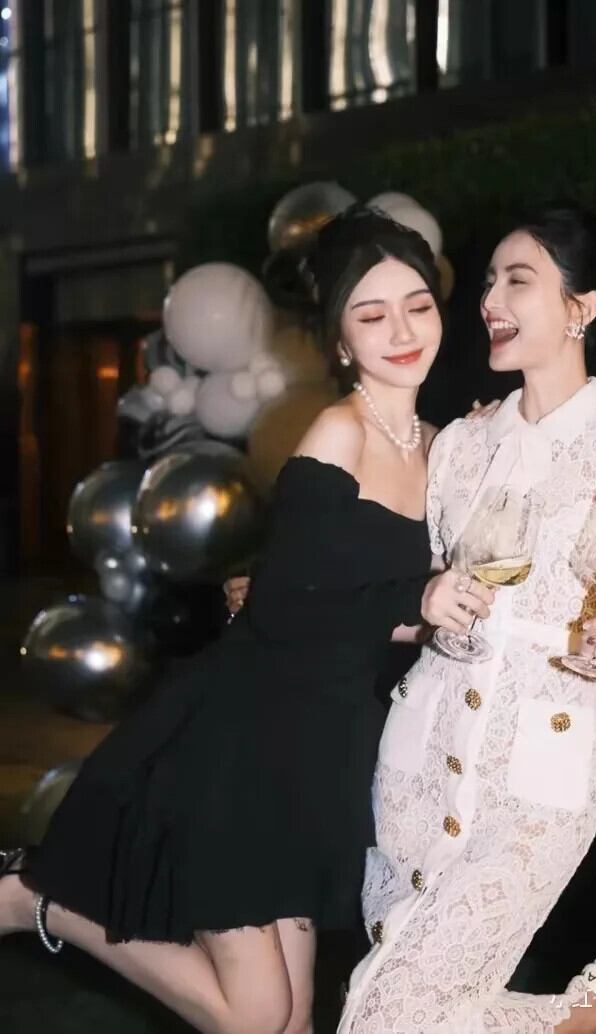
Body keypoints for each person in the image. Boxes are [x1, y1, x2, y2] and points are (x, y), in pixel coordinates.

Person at [0, 205, 494, 1034]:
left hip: (325, 762)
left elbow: (371, 618)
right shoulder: (336, 435)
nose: (403, 331)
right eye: (372, 314)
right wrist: (416, 599)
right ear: (341, 339)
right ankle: (33, 898)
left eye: (417, 305)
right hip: (246, 742)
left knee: (292, 1021)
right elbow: (285, 605)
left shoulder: (440, 446)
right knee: (258, 1016)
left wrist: (436, 616)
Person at [337, 203, 596, 1034]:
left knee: (383, 1012)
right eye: (490, 281)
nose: (489, 300)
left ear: (580, 307)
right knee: (418, 1004)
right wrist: (325, 596)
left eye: (517, 281)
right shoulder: (461, 444)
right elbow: (425, 607)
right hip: (419, 760)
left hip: (538, 777)